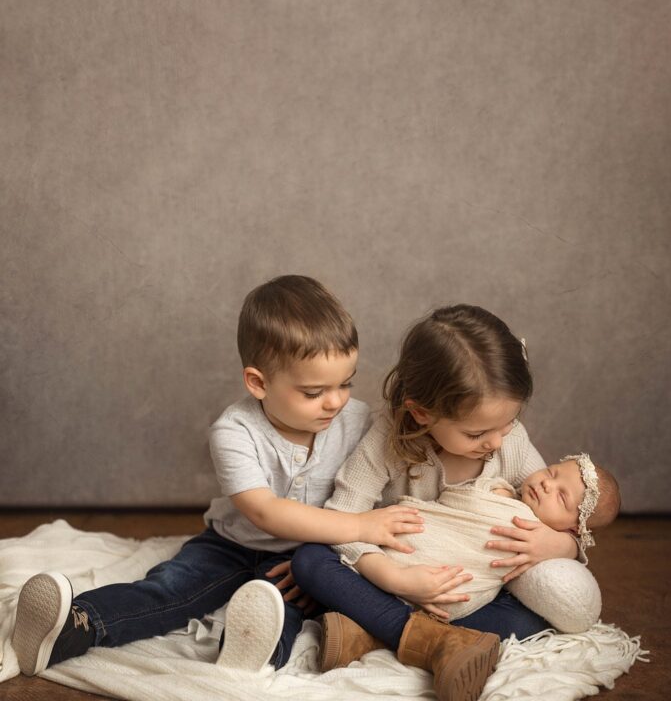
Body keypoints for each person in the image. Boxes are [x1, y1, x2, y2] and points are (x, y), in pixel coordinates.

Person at [12, 275, 429, 677]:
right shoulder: (234, 431)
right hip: (231, 542)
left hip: (306, 556)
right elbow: (264, 512)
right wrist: (357, 526)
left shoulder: (358, 422)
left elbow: (384, 483)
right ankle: (76, 625)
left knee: (282, 606)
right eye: (313, 392)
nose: (334, 402)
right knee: (171, 588)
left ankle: (251, 652)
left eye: (346, 384)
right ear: (258, 383)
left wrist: (320, 567)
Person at [289, 304, 588, 701]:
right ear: (421, 413)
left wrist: (562, 544)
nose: (496, 441)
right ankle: (433, 643)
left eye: (508, 423)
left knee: (536, 612)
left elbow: (558, 514)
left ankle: (373, 636)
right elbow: (342, 516)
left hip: (464, 592)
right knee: (309, 560)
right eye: (477, 432)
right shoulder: (387, 441)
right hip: (395, 574)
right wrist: (395, 579)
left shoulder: (508, 443)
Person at [381, 453, 621, 621]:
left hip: (449, 588)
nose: (547, 484)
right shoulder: (505, 486)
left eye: (561, 497)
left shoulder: (535, 536)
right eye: (551, 472)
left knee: (523, 621)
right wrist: (495, 491)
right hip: (405, 548)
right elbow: (457, 501)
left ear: (574, 528)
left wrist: (566, 545)